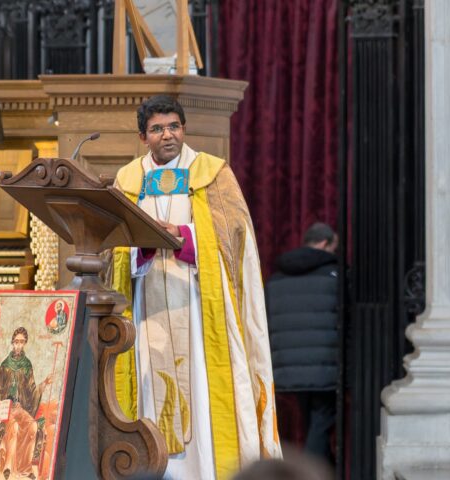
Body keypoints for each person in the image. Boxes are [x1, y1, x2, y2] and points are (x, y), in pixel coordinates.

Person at [107, 95, 282, 479]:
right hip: (146, 310)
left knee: (202, 396)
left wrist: (184, 237)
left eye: (173, 126)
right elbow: (114, 246)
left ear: (184, 130)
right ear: (143, 137)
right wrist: (144, 245)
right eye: (157, 129)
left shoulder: (212, 173)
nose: (167, 135)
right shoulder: (127, 180)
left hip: (199, 307)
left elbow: (235, 240)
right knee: (151, 395)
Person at [264, 222, 339, 463]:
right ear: (326, 244)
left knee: (312, 422)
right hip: (324, 366)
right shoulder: (335, 275)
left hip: (286, 365)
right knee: (321, 421)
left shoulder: (276, 279)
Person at [0, 327, 52, 479]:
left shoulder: (27, 365)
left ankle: (25, 468)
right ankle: (8, 468)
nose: (18, 345)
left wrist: (43, 385)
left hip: (20, 407)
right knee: (14, 427)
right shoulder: (5, 365)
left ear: (25, 344)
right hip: (6, 408)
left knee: (33, 426)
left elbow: (31, 390)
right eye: (16, 342)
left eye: (22, 342)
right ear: (12, 343)